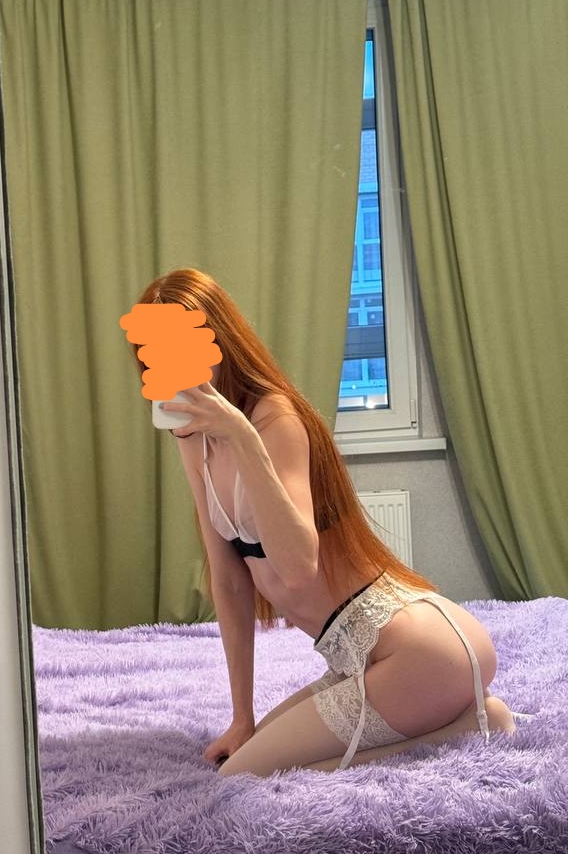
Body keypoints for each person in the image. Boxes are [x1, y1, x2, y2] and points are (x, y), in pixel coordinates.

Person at [132, 268, 515, 777]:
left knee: (240, 773)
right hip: (359, 657)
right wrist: (242, 717)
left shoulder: (274, 418)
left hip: (423, 647)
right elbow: (228, 579)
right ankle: (462, 718)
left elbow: (297, 568)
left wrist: (242, 437)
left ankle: (471, 724)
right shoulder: (193, 440)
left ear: (218, 343)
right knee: (248, 752)